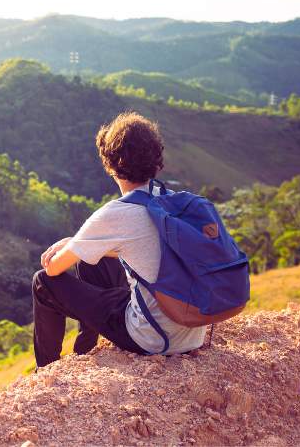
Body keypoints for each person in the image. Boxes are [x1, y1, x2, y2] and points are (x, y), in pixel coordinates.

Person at [32, 111, 207, 367]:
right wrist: (79, 243)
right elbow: (150, 250)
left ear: (111, 165)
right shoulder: (171, 202)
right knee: (93, 260)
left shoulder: (115, 214)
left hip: (152, 338)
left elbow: (54, 268)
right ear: (156, 160)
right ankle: (85, 350)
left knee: (42, 283)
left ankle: (45, 371)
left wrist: (71, 245)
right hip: (191, 331)